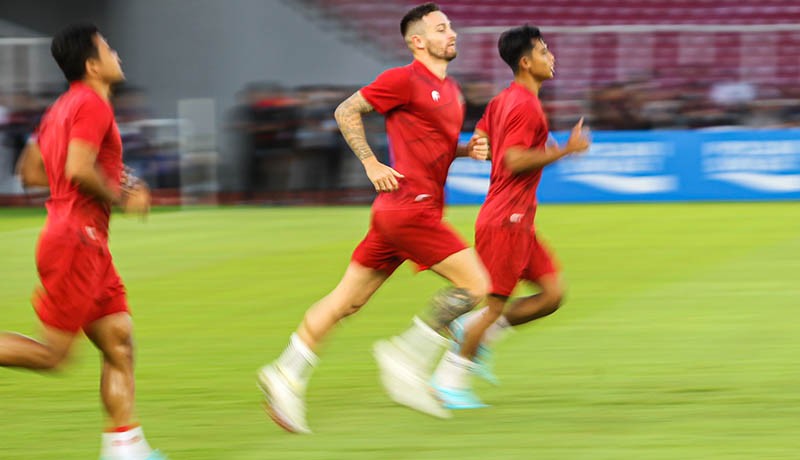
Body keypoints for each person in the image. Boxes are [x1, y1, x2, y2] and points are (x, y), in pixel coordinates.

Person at [258, 2, 490, 433]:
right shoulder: (402, 79)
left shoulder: (452, 90)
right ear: (418, 41)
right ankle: (405, 355)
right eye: (441, 28)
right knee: (478, 284)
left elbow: (431, 145)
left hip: (400, 213)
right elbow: (346, 110)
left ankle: (286, 372)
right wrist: (369, 162)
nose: (451, 33)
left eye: (451, 26)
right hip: (408, 210)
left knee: (348, 301)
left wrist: (463, 150)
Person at [0, 24, 165, 460]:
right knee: (53, 355)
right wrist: (121, 195)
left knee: (118, 338)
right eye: (109, 48)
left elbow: (31, 172)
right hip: (77, 240)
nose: (117, 54)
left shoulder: (61, 108)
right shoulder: (93, 105)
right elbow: (76, 168)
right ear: (92, 64)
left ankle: (124, 449)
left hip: (77, 237)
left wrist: (108, 182)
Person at [431, 25, 591, 408]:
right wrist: (564, 150)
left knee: (552, 295)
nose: (551, 57)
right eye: (543, 51)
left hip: (516, 218)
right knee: (493, 308)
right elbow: (513, 159)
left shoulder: (503, 101)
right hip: (507, 220)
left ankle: (473, 334)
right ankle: (450, 378)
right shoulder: (524, 105)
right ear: (525, 62)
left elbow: (483, 142)